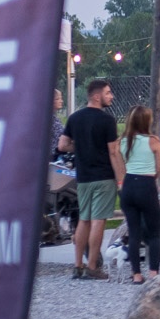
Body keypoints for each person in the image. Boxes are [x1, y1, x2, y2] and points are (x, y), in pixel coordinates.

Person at [61, 79, 122, 280]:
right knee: (99, 221)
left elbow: (62, 145)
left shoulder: (74, 118)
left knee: (83, 220)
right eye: (108, 92)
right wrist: (121, 179)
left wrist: (79, 149)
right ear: (96, 96)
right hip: (103, 176)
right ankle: (93, 266)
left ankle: (77, 265)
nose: (111, 96)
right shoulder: (107, 120)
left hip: (83, 177)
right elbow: (113, 152)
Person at [117, 105, 160, 284]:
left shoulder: (122, 141)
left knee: (134, 232)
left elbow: (122, 164)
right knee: (154, 232)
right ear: (147, 121)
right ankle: (153, 271)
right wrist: (154, 177)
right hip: (146, 184)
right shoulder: (153, 141)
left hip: (129, 184)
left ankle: (136, 274)